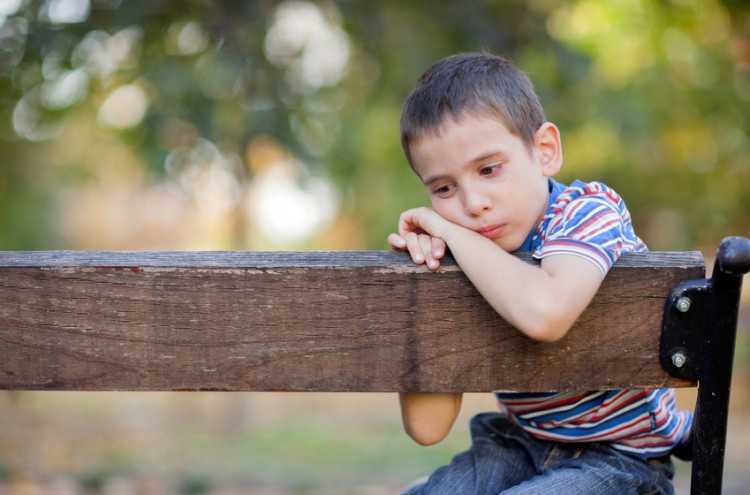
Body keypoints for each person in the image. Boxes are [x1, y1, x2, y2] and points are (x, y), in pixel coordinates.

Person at [388, 52, 693, 494]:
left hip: (623, 458)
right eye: (444, 188)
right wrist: (425, 276)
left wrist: (452, 233)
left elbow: (545, 312)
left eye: (489, 169)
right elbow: (427, 426)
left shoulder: (587, 211)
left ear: (545, 151)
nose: (473, 204)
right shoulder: (460, 250)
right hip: (518, 446)